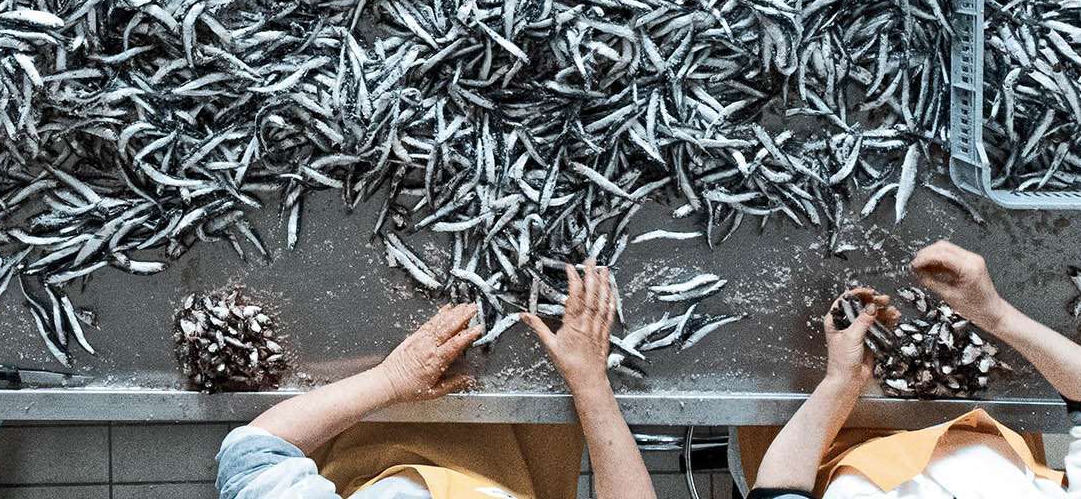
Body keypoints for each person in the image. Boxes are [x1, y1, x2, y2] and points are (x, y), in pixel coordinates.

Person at [217, 260, 659, 499]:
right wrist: (590, 385)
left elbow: (252, 455)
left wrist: (390, 381)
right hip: (528, 432)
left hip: (369, 411)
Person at [736, 241, 1081, 499]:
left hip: (818, 447)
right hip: (987, 423)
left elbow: (778, 488)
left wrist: (839, 383)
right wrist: (995, 315)